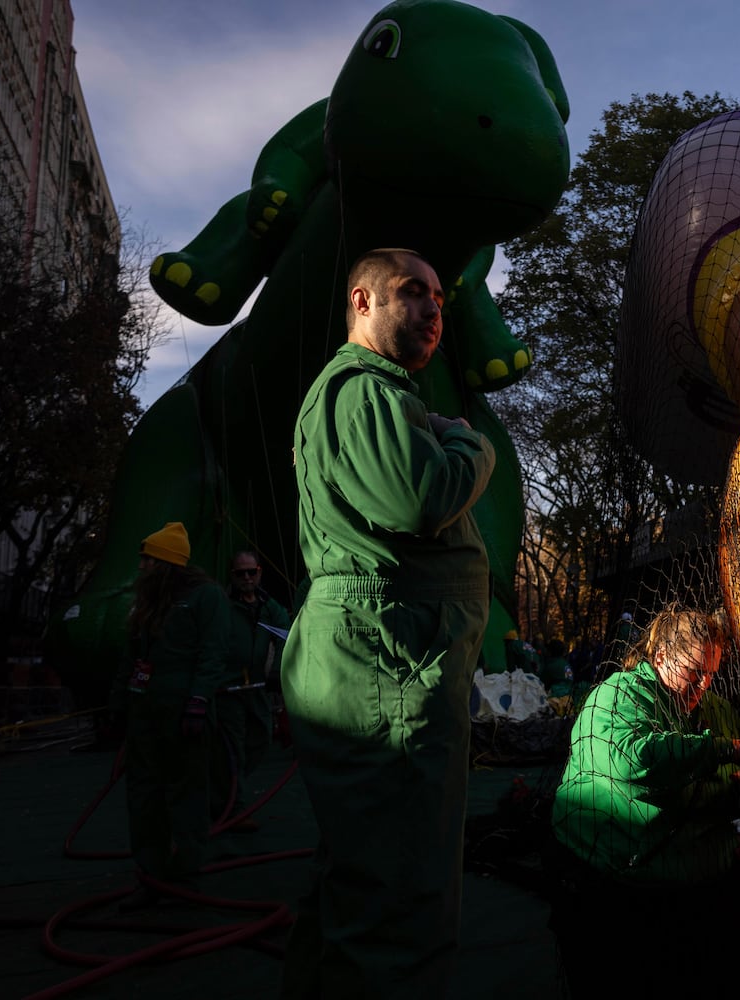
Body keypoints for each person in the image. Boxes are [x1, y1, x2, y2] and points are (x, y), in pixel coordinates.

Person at [280, 248, 495, 998]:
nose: (435, 309)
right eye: (413, 293)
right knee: (402, 890)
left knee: (368, 871)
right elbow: (419, 500)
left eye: (439, 296)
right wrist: (470, 442)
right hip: (388, 658)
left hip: (388, 655)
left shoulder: (378, 395)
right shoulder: (365, 390)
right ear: (363, 302)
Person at [549, 605, 740, 998]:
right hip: (617, 875)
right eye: (693, 673)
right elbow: (634, 759)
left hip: (696, 866)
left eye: (711, 675)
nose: (702, 686)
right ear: (662, 657)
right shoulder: (615, 696)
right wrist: (719, 751)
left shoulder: (713, 709)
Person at [112, 521, 233, 911]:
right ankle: (150, 876)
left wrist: (198, 700)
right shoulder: (146, 603)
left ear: (165, 562)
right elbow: (132, 656)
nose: (142, 565)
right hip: (146, 714)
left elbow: (212, 652)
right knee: (143, 795)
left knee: (187, 794)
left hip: (184, 715)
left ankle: (185, 878)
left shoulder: (206, 597)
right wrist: (119, 705)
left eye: (148, 558)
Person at [210, 549, 290, 831]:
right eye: (240, 573)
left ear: (259, 572)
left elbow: (286, 634)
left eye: (251, 572)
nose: (246, 577)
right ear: (231, 576)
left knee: (261, 738)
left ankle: (224, 791)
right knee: (232, 750)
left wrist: (277, 670)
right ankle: (235, 809)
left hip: (255, 687)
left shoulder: (268, 607)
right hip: (227, 689)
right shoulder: (223, 607)